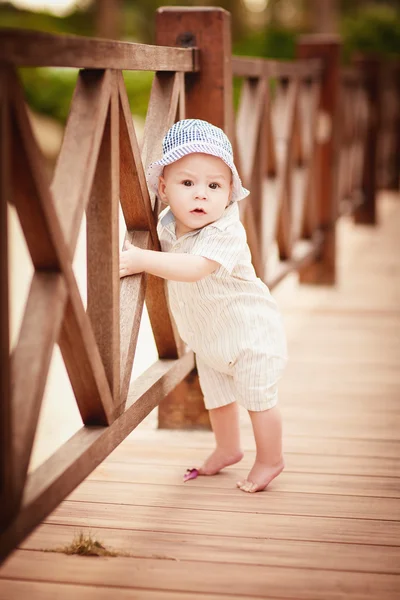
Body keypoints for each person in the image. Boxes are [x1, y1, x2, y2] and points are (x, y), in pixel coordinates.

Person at [120, 119, 287, 493]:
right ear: (163, 188)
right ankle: (227, 449)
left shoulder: (226, 230)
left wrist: (142, 260)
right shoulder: (165, 224)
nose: (201, 195)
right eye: (187, 183)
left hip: (250, 332)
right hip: (209, 335)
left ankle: (270, 458)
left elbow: (195, 268)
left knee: (258, 398)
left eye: (214, 186)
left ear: (229, 194)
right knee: (218, 397)